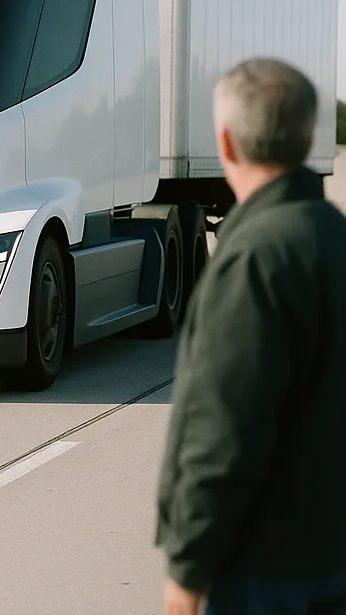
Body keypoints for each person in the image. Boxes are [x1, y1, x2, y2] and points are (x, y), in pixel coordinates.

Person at [156, 57, 346, 614]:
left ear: (226, 142)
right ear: (308, 140)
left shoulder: (253, 259)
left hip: (266, 571)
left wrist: (188, 571)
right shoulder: (334, 237)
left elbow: (224, 432)